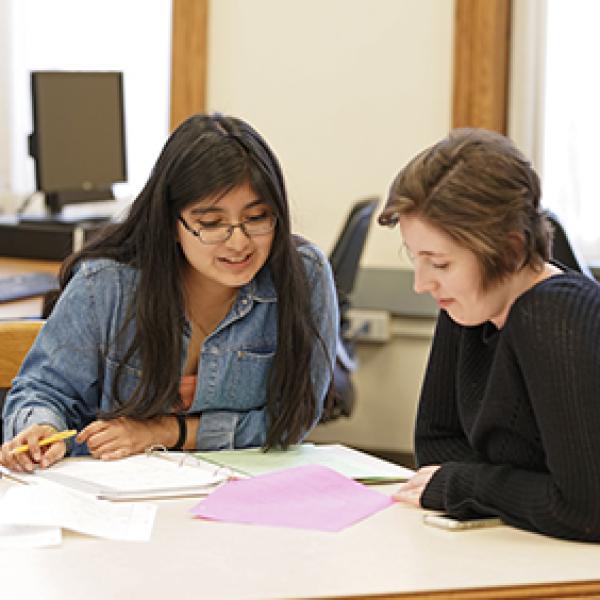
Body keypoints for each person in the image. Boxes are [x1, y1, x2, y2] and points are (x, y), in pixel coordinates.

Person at [1, 113, 338, 472]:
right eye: (211, 223)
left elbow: (293, 418)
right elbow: (44, 391)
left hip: (238, 495)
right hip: (115, 496)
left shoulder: (304, 276)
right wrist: (40, 430)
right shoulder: (107, 284)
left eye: (257, 218)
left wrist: (165, 432)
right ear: (171, 221)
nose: (239, 242)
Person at [378, 127, 600, 542]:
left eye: (440, 263)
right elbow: (435, 445)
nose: (421, 284)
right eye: (417, 258)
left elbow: (584, 509)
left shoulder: (555, 316)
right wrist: (511, 487)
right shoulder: (470, 304)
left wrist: (467, 483)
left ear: (512, 250)